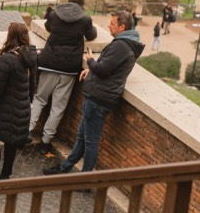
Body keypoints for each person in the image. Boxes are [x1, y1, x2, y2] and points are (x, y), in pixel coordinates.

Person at [44, 9, 143, 177]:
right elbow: (110, 67)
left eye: (112, 24)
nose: (109, 26)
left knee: (90, 141)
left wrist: (90, 61)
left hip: (99, 98)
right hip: (99, 96)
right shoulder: (125, 44)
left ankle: (86, 179)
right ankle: (65, 168)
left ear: (122, 27)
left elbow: (103, 69)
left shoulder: (121, 45)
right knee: (83, 137)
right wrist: (91, 70)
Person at [29, 0, 97, 157]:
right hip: (68, 69)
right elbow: (92, 35)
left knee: (39, 99)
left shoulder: (54, 15)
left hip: (49, 64)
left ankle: (26, 132)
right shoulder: (85, 20)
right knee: (58, 107)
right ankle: (45, 142)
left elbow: (48, 27)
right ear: (82, 6)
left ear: (67, 3)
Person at [0, 23, 37, 181]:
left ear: (10, 36)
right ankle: (6, 174)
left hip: (3, 109)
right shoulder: (30, 58)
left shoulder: (7, 59)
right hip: (21, 108)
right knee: (11, 141)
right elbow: (32, 87)